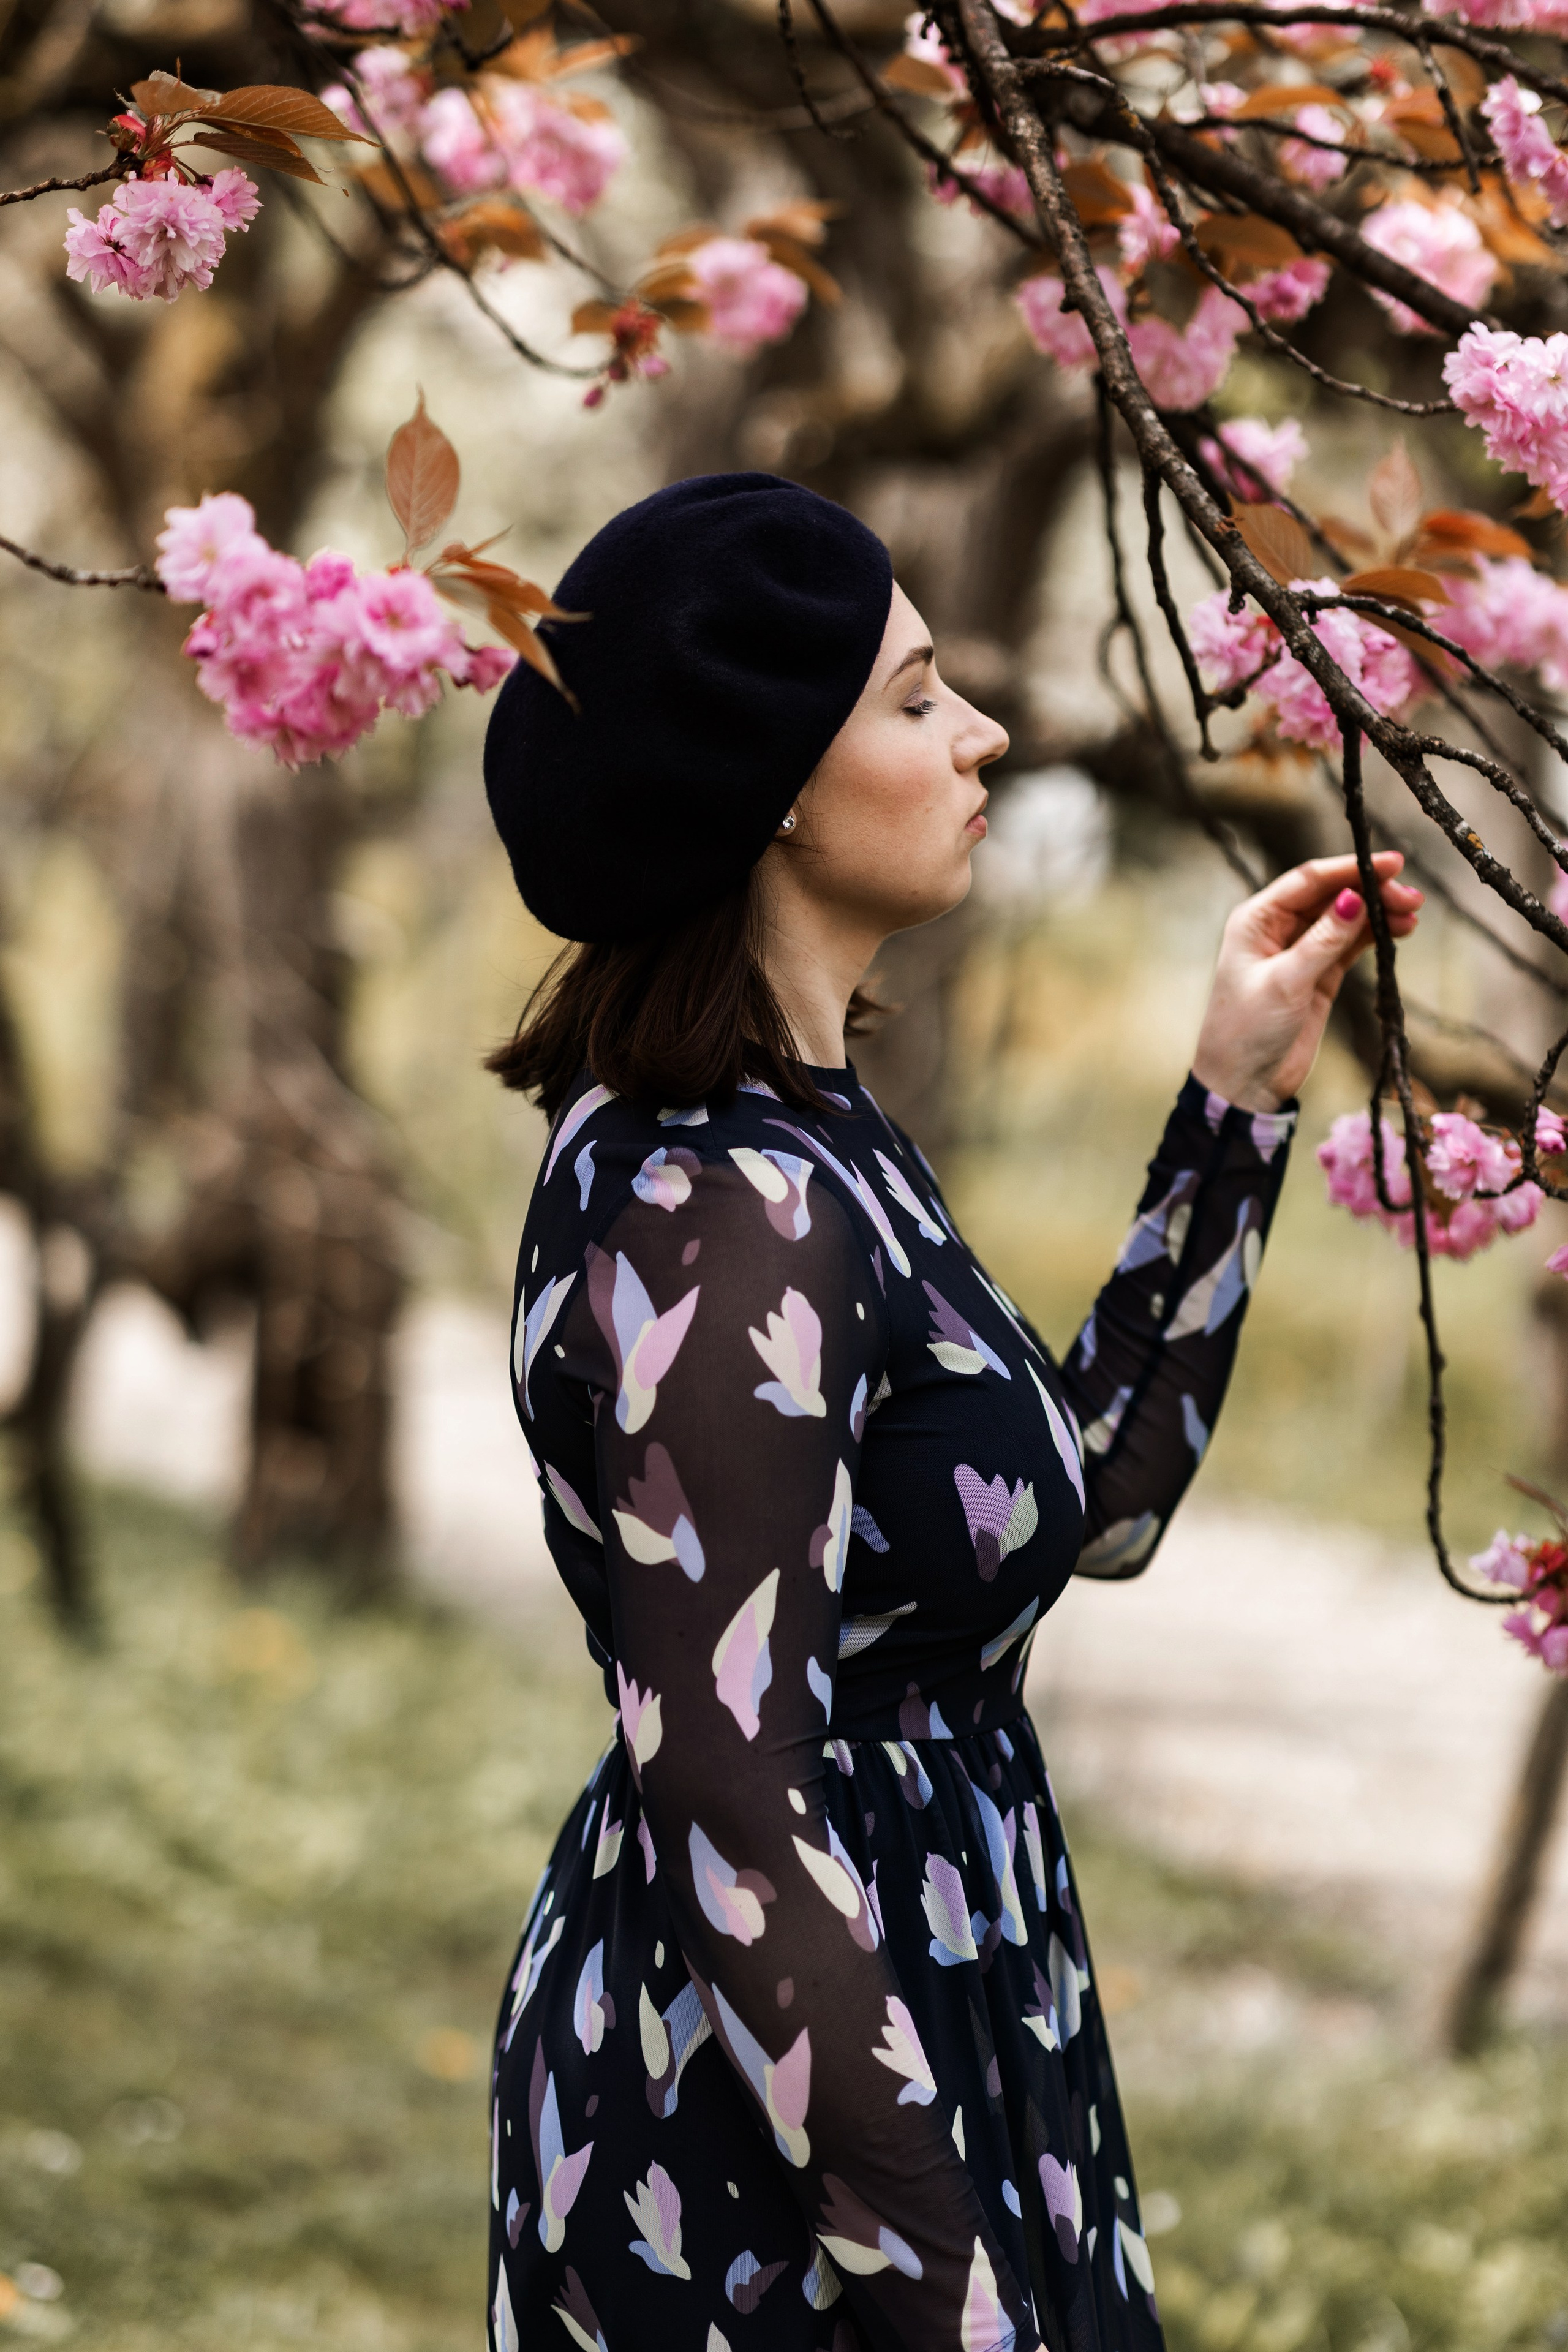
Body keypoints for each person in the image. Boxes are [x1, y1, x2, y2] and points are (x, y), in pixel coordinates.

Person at [477, 473, 1420, 2352]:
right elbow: (731, 1791)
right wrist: (938, 2285)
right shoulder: (717, 1198)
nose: (983, 729)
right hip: (770, 2103)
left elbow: (1089, 1512)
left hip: (939, 1995)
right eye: (915, 701)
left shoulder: (819, 1140)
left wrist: (1232, 1107)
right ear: (773, 792)